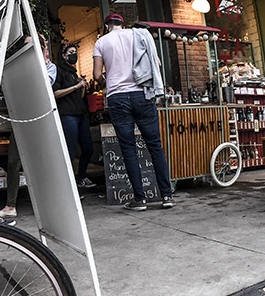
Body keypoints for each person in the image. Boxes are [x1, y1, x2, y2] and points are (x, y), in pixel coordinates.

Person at [92, 12, 174, 210]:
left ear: (106, 26)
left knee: (128, 148)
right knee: (154, 146)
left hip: (118, 97)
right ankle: (166, 196)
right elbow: (157, 64)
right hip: (142, 94)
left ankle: (140, 199)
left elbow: (96, 75)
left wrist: (108, 80)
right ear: (123, 24)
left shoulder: (101, 42)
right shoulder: (138, 35)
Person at [0, 34, 61, 223]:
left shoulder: (49, 67)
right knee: (13, 161)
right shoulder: (17, 67)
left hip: (40, 119)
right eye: (25, 46)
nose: (28, 51)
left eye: (32, 46)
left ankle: (52, 204)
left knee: (44, 162)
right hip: (21, 119)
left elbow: (42, 86)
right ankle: (11, 206)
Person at [52, 42, 94, 189]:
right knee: (70, 151)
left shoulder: (73, 72)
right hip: (68, 115)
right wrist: (75, 86)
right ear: (64, 56)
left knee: (88, 148)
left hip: (81, 114)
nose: (73, 55)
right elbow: (55, 93)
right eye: (70, 52)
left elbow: (78, 96)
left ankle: (81, 176)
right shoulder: (59, 71)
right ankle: (68, 185)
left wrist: (81, 86)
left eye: (75, 52)